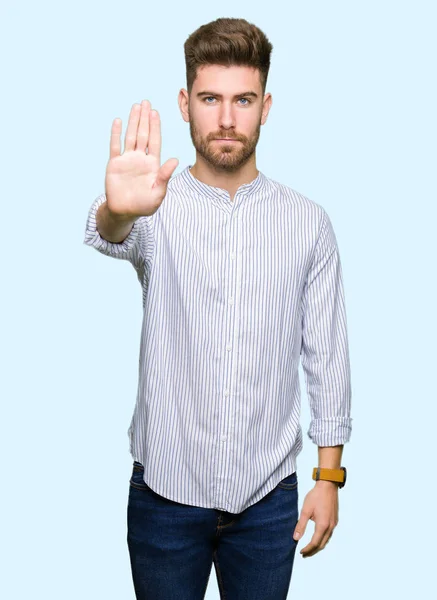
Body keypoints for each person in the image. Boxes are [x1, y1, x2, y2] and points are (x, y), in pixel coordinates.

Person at [83, 16, 353, 600]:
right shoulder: (152, 208)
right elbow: (108, 233)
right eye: (210, 99)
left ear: (266, 105)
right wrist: (119, 207)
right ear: (185, 103)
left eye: (242, 100)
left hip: (267, 503)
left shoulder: (307, 223)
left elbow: (326, 357)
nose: (227, 119)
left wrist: (328, 478)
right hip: (164, 499)